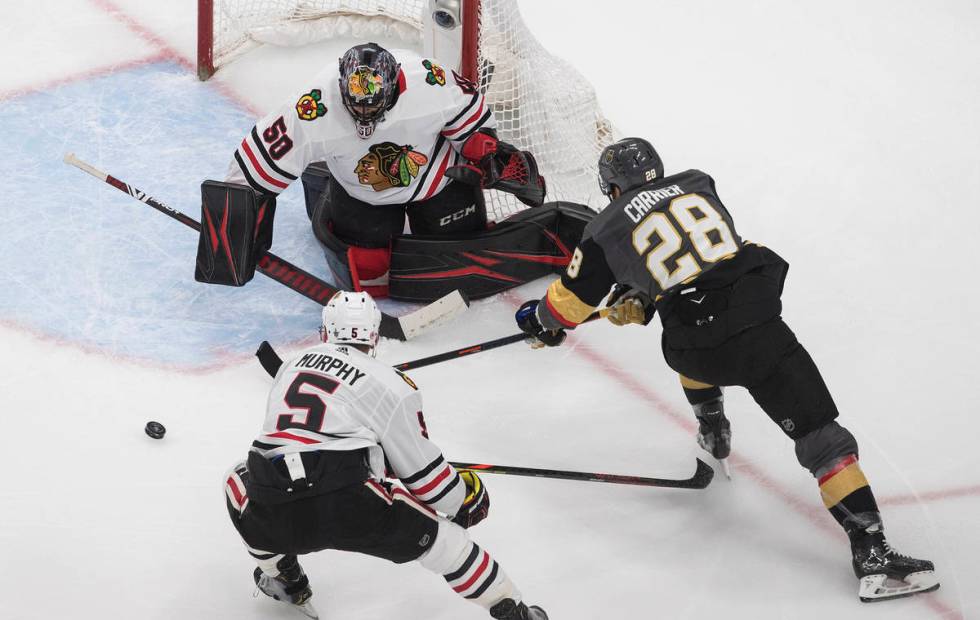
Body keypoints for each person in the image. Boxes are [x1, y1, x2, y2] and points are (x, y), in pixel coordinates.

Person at [514, 137, 938, 602]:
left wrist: (541, 322)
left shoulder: (603, 226)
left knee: (690, 339)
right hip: (758, 330)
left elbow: (570, 304)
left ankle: (712, 428)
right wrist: (644, 293)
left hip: (692, 347)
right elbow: (708, 258)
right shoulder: (697, 183)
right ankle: (872, 554)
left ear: (610, 186)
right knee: (822, 438)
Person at [223, 291, 548, 619]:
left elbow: (289, 441)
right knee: (448, 546)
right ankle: (517, 612)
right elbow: (427, 481)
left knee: (236, 480)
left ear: (325, 333)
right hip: (347, 500)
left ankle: (285, 579)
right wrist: (464, 497)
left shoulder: (291, 366)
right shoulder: (392, 386)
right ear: (375, 337)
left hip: (272, 502)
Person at [212, 41, 546, 299]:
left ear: (393, 85)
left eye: (371, 102)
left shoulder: (429, 79)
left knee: (458, 251)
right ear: (342, 85)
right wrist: (233, 227)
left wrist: (484, 154)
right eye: (354, 102)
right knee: (368, 272)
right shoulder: (314, 106)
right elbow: (255, 164)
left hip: (437, 177)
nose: (362, 111)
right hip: (364, 190)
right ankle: (322, 185)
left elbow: (472, 119)